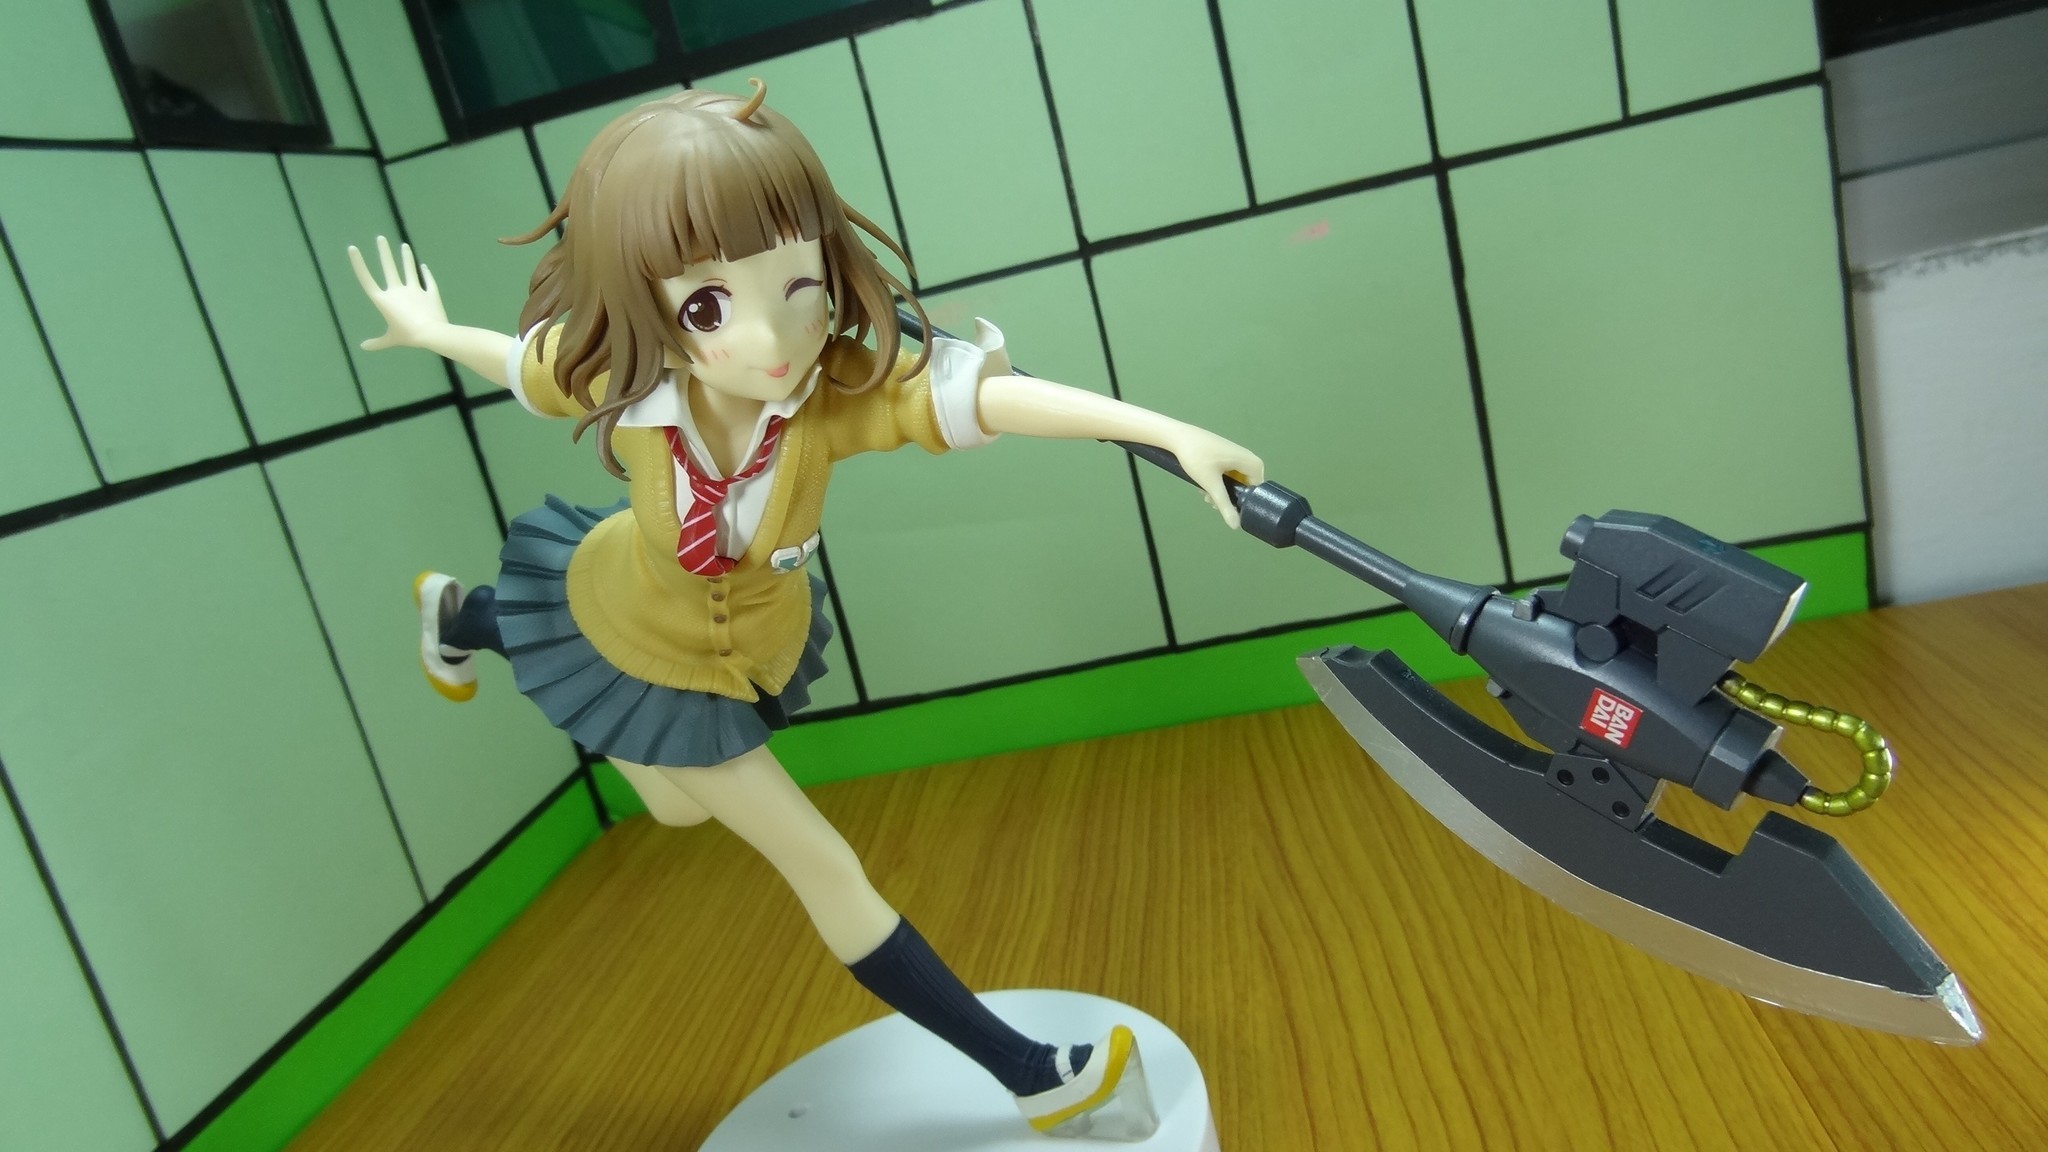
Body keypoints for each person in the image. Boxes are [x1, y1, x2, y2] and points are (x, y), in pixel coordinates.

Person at [348, 80, 1261, 1140]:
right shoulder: (624, 377)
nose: (770, 337)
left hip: (732, 643)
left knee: (678, 812)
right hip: (623, 614)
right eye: (706, 307)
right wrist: (429, 330)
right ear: (648, 306)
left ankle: (464, 619)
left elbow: (986, 397)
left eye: (799, 284)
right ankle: (1037, 1075)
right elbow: (518, 362)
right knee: (821, 862)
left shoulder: (828, 400)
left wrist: (1164, 431)